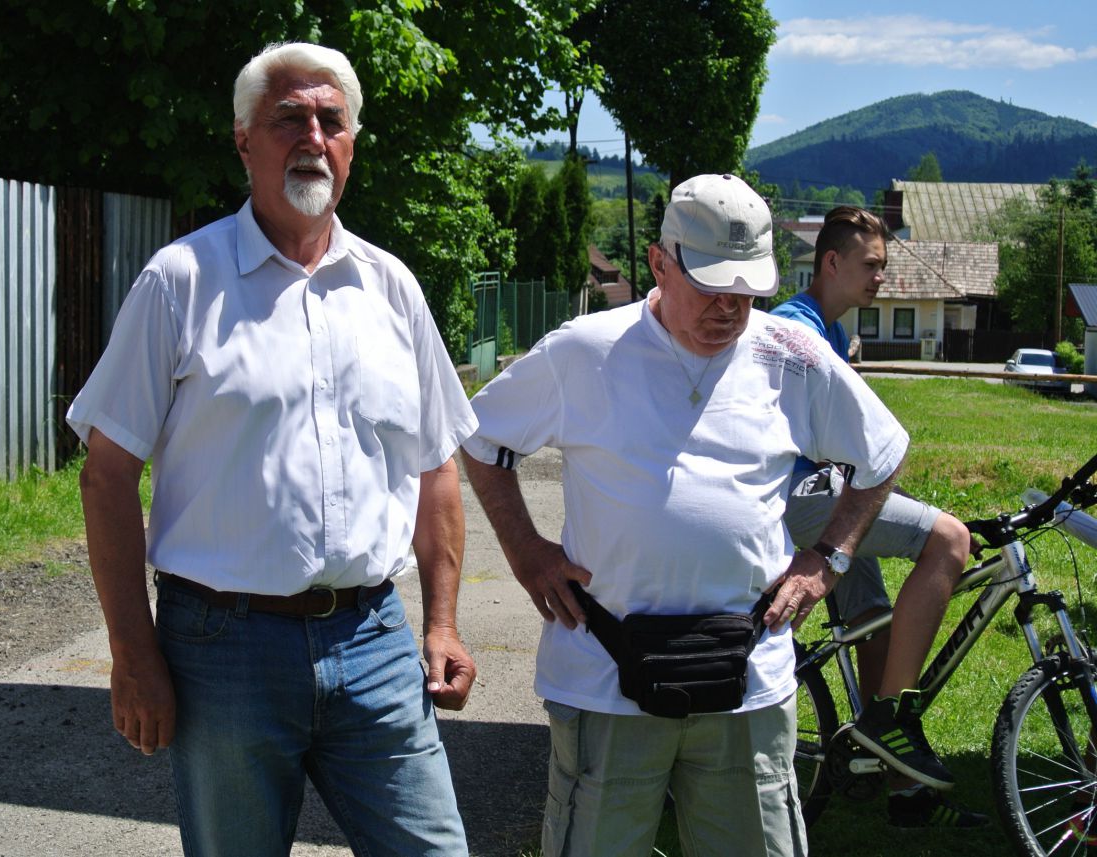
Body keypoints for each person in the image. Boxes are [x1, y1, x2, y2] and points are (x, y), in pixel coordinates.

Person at [67, 42, 476, 857]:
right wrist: (132, 652)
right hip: (225, 650)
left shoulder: (392, 288)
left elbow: (436, 468)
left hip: (373, 641)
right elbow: (107, 475)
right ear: (244, 140)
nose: (313, 138)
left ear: (351, 145)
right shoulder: (181, 281)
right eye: (289, 119)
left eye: (331, 121)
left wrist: (443, 623)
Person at [462, 173, 907, 857]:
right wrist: (525, 549)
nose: (729, 308)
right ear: (659, 262)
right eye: (710, 286)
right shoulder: (585, 351)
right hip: (606, 682)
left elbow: (881, 453)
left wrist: (829, 558)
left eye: (746, 291)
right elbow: (480, 437)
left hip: (750, 684)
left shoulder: (790, 355)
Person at [772, 206, 986, 828]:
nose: (881, 278)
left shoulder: (830, 332)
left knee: (872, 621)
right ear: (830, 262)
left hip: (828, 494)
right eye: (871, 265)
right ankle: (890, 720)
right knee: (949, 540)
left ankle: (900, 786)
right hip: (798, 500)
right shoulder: (798, 330)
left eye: (883, 266)